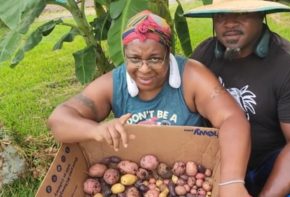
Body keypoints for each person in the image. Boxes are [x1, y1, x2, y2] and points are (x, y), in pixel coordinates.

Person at [48, 10, 251, 196]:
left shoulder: (192, 76)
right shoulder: (112, 84)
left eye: (155, 59)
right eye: (134, 59)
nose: (144, 69)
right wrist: (96, 130)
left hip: (185, 162)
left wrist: (232, 181)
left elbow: (232, 118)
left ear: (168, 53)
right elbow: (59, 119)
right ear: (125, 55)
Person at [184, 0, 290, 196]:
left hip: (274, 163)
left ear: (261, 15)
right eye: (221, 15)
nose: (229, 23)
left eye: (241, 14)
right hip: (221, 158)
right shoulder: (204, 56)